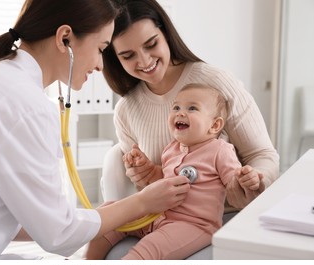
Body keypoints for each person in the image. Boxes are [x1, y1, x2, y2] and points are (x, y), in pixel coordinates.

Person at [0, 0, 191, 260]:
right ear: (65, 38)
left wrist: (99, 217)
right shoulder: (25, 104)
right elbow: (59, 234)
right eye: (101, 48)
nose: (101, 65)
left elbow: (21, 216)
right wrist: (142, 203)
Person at [101, 0, 279, 211]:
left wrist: (254, 182)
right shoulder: (126, 110)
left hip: (225, 217)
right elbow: (148, 187)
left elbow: (263, 155)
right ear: (115, 59)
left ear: (165, 34)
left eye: (151, 45)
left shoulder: (215, 83)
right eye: (128, 55)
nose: (144, 61)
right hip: (165, 221)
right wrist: (140, 175)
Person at [85, 83, 261, 260]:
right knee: (110, 214)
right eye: (176, 107)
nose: (180, 112)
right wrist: (146, 167)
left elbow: (233, 184)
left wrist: (244, 179)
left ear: (214, 125)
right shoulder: (171, 149)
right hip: (156, 216)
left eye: (192, 108)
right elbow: (162, 178)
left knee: (149, 248)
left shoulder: (220, 150)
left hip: (192, 224)